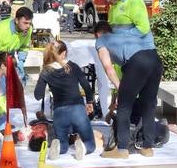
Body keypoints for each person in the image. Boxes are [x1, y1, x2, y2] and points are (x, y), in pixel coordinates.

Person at [93, 21, 163, 159]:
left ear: (97, 34)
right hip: (155, 60)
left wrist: (121, 88)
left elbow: (108, 67)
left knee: (124, 106)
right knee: (149, 105)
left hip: (136, 62)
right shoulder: (126, 33)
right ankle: (147, 147)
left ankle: (122, 149)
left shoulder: (101, 40)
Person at [34, 40, 97, 160]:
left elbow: (38, 95)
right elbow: (87, 88)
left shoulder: (46, 71)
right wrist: (89, 102)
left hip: (59, 113)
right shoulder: (73, 66)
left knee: (63, 144)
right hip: (78, 110)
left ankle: (58, 147)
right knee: (90, 144)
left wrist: (43, 79)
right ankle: (83, 146)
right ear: (64, 53)